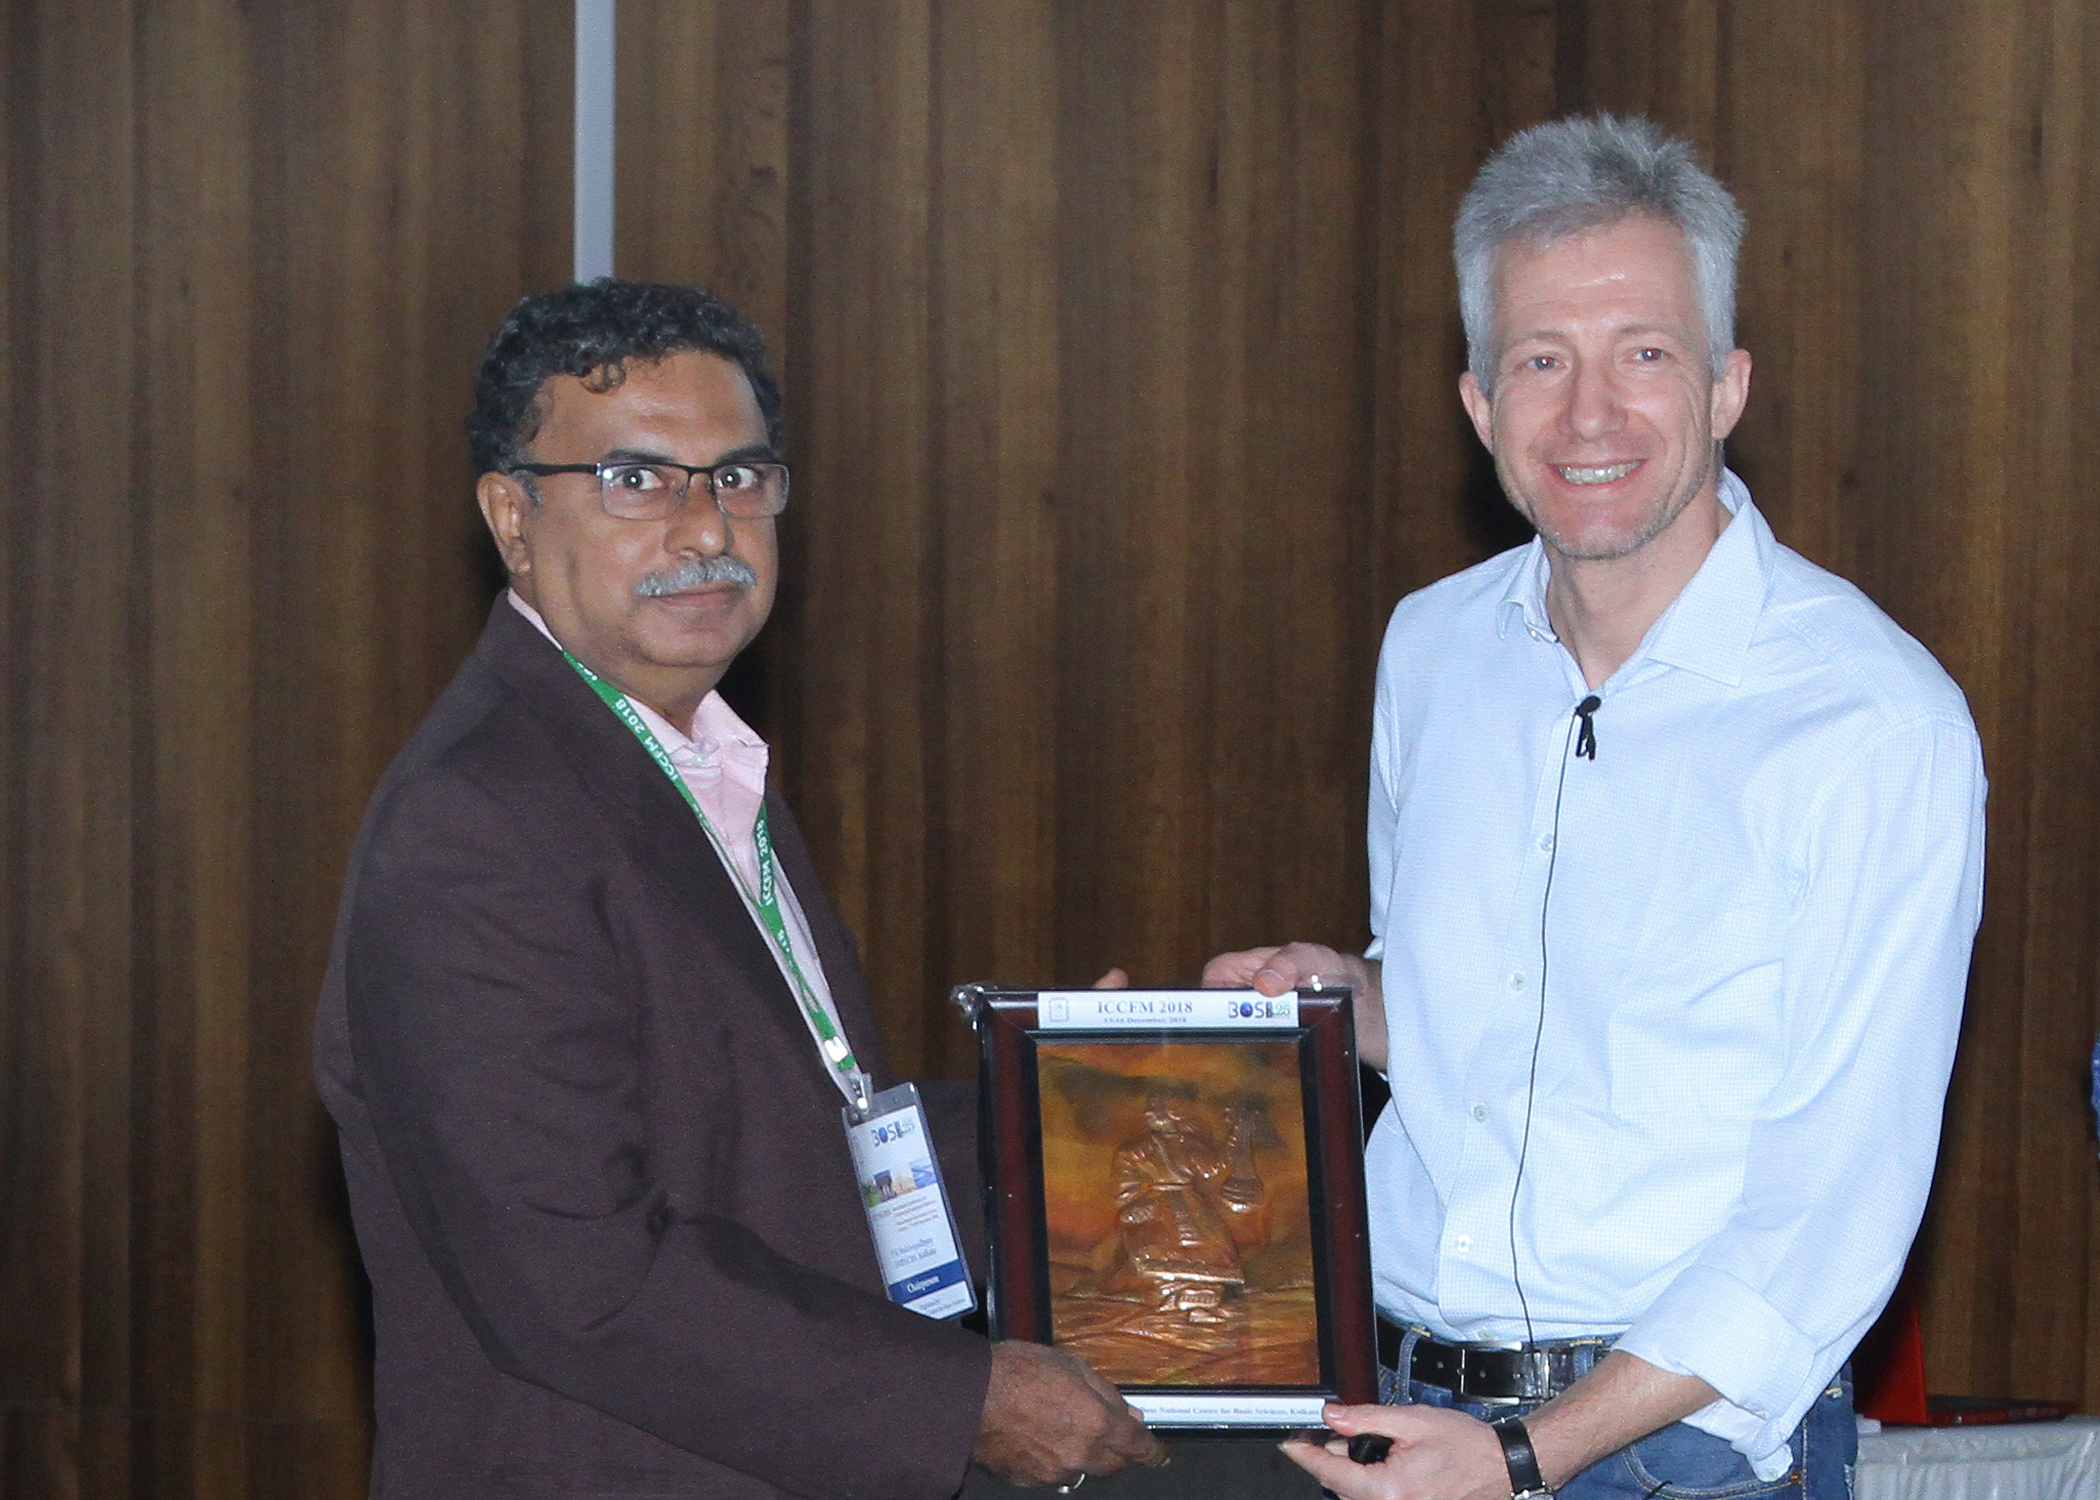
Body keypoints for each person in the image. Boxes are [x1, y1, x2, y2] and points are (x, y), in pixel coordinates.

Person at [1206, 116, 1985, 1500]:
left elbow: (1831, 1212)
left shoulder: (1874, 724)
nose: (1589, 417)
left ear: (1729, 386)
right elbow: (1491, 1026)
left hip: (1683, 1456)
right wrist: (1353, 1000)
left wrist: (1523, 1458)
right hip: (1394, 1410)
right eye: (1541, 361)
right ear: (1478, 405)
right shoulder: (1432, 648)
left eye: (1645, 354)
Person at [313, 279, 1164, 1499]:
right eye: (637, 480)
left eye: (739, 477)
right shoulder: (479, 821)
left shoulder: (696, 760)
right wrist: (961, 1402)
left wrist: (1060, 1108)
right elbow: (582, 1278)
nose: (706, 530)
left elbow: (782, 1143)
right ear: (512, 517)